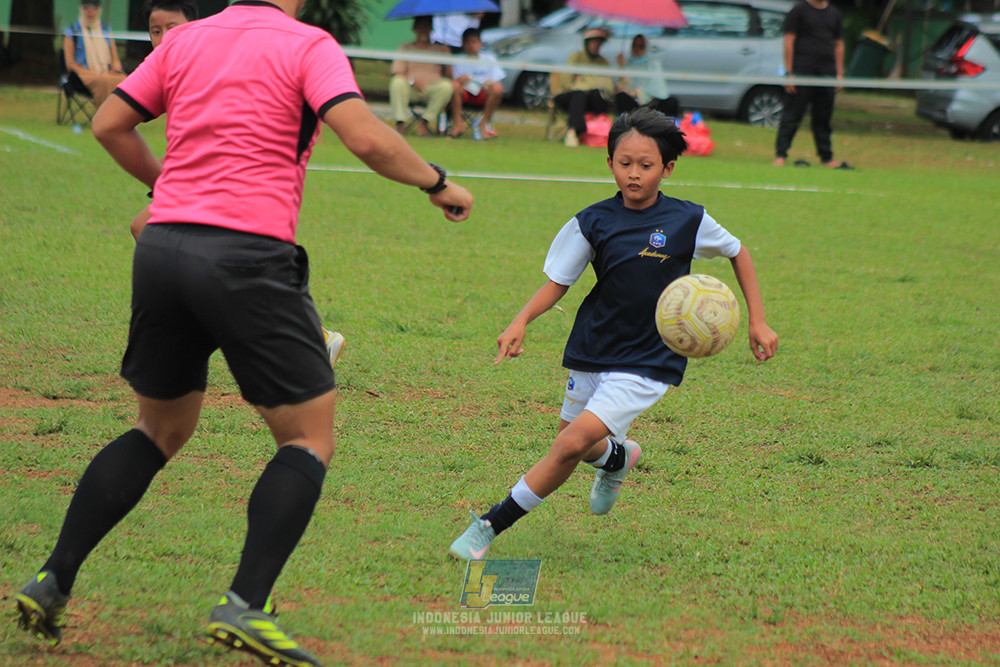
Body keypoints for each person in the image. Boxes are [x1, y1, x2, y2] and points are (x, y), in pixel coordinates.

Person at [14, 3, 473, 667]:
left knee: (158, 429)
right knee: (308, 436)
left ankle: (52, 578)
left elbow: (111, 122)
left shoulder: (189, 38)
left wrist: (169, 187)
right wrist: (438, 181)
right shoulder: (307, 44)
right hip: (246, 256)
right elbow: (366, 137)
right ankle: (246, 604)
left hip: (162, 248)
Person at [448, 107, 778, 561]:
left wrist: (757, 321)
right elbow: (558, 282)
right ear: (609, 164)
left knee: (566, 444)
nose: (635, 174)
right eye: (625, 164)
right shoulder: (592, 221)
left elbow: (738, 252)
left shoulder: (688, 220)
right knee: (579, 447)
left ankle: (489, 526)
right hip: (593, 345)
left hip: (648, 361)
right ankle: (618, 459)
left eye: (646, 165)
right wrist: (520, 321)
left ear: (667, 168)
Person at [132, 0, 348, 367]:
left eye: (172, 28)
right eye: (156, 31)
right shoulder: (180, 60)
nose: (165, 37)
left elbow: (111, 124)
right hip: (202, 191)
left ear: (192, 27)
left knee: (233, 263)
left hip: (236, 193)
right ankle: (311, 337)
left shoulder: (204, 52)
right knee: (152, 232)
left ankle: (312, 338)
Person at [772, 0, 849, 169]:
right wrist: (790, 73)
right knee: (792, 115)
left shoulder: (834, 13)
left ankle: (826, 158)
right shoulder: (798, 10)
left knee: (823, 118)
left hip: (826, 74)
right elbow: (789, 41)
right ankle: (780, 155)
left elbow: (839, 44)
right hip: (802, 72)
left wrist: (839, 74)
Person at [389, 15, 454, 136]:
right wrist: (412, 81)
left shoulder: (440, 49)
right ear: (414, 28)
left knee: (446, 86)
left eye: (426, 26)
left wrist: (447, 56)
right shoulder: (405, 48)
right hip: (411, 88)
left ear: (431, 29)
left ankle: (425, 123)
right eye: (420, 26)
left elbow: (449, 76)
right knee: (397, 82)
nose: (423, 30)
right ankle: (400, 123)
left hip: (432, 89)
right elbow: (398, 71)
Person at [552, 27, 615, 147]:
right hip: (571, 97)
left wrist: (585, 81)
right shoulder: (576, 57)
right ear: (587, 43)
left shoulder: (603, 62)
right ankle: (573, 131)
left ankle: (599, 133)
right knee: (579, 95)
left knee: (596, 94)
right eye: (594, 42)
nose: (596, 45)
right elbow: (567, 82)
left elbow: (608, 86)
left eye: (599, 42)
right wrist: (589, 82)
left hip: (591, 98)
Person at [62, 0, 126, 107]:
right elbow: (70, 64)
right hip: (82, 74)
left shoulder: (106, 31)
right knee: (104, 81)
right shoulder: (72, 32)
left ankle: (125, 118)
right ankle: (106, 117)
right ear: (81, 9)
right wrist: (93, 73)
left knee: (124, 80)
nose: (90, 11)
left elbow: (115, 60)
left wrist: (116, 70)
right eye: (86, 7)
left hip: (105, 71)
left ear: (99, 10)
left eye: (94, 8)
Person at [448, 27, 505, 139]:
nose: (471, 45)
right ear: (463, 44)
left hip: (484, 93)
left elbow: (497, 80)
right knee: (454, 86)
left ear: (480, 43)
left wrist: (490, 83)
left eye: (473, 41)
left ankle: (483, 123)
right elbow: (453, 81)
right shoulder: (457, 60)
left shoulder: (489, 59)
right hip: (465, 93)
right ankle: (458, 125)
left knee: (498, 88)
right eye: (467, 42)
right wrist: (460, 81)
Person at [615, 34, 680, 119]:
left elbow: (660, 91)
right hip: (634, 103)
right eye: (635, 45)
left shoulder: (654, 65)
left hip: (652, 103)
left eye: (641, 46)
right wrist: (621, 68)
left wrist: (642, 93)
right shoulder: (626, 64)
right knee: (621, 97)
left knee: (672, 102)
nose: (637, 49)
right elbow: (621, 88)